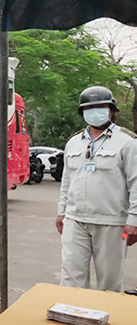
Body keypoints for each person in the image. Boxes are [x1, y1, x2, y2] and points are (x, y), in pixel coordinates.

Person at [55, 86, 137, 292]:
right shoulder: (73, 143)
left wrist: (133, 221)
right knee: (71, 279)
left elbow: (135, 183)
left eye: (100, 107)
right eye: (89, 108)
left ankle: (106, 319)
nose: (95, 111)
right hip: (75, 220)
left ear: (111, 110)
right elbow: (67, 181)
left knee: (109, 282)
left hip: (112, 222)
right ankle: (73, 318)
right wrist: (61, 212)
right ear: (82, 112)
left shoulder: (127, 143)